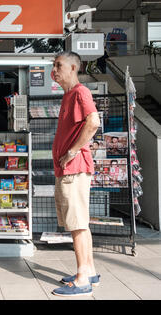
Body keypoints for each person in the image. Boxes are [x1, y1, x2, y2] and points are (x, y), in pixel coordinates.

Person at [51, 51, 102, 297]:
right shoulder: (68, 95)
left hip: (74, 168)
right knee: (79, 223)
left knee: (77, 224)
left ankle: (82, 279)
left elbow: (93, 122)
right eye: (54, 65)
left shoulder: (80, 92)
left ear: (73, 68)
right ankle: (89, 270)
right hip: (68, 169)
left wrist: (71, 151)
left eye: (59, 65)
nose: (54, 70)